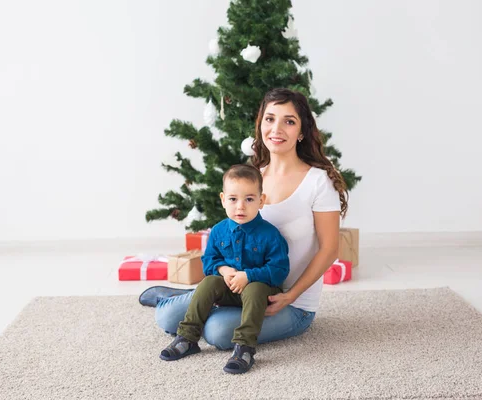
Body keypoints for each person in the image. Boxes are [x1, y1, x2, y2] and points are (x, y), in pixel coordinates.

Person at [140, 87, 347, 353]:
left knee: (218, 332)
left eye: (289, 121)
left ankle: (189, 301)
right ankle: (185, 299)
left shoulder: (318, 182)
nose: (277, 129)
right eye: (270, 119)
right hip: (239, 289)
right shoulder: (252, 177)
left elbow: (330, 249)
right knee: (166, 318)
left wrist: (290, 295)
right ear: (261, 125)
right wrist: (226, 276)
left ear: (302, 132)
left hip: (293, 303)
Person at [158, 164, 289, 374]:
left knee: (255, 288)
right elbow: (209, 260)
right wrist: (223, 269)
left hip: (260, 294)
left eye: (249, 199)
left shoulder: (270, 234)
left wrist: (249, 275)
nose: (240, 207)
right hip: (230, 291)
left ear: (261, 200)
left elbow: (279, 269)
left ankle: (244, 347)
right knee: (209, 282)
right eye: (233, 199)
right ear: (222, 199)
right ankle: (188, 337)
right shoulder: (218, 231)